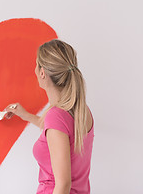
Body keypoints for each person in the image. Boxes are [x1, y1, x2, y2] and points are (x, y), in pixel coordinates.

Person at [5, 39, 94, 194]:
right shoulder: (81, 110)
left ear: (42, 72)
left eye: (36, 64)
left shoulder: (56, 117)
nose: (34, 70)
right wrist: (25, 115)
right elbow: (57, 132)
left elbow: (63, 184)